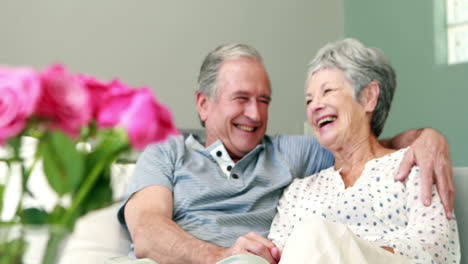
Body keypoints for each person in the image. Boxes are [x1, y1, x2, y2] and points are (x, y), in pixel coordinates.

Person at [118, 43, 455, 264]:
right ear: (203, 104)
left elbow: (363, 143)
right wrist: (225, 256)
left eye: (263, 101)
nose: (254, 113)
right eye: (241, 98)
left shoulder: (288, 153)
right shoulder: (168, 152)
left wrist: (429, 139)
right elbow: (147, 232)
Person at [268, 38, 460, 263]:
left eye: (327, 91)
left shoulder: (412, 166)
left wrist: (351, 247)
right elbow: (273, 255)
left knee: (314, 234)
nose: (315, 106)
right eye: (309, 101)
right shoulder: (297, 191)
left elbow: (437, 249)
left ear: (369, 97)